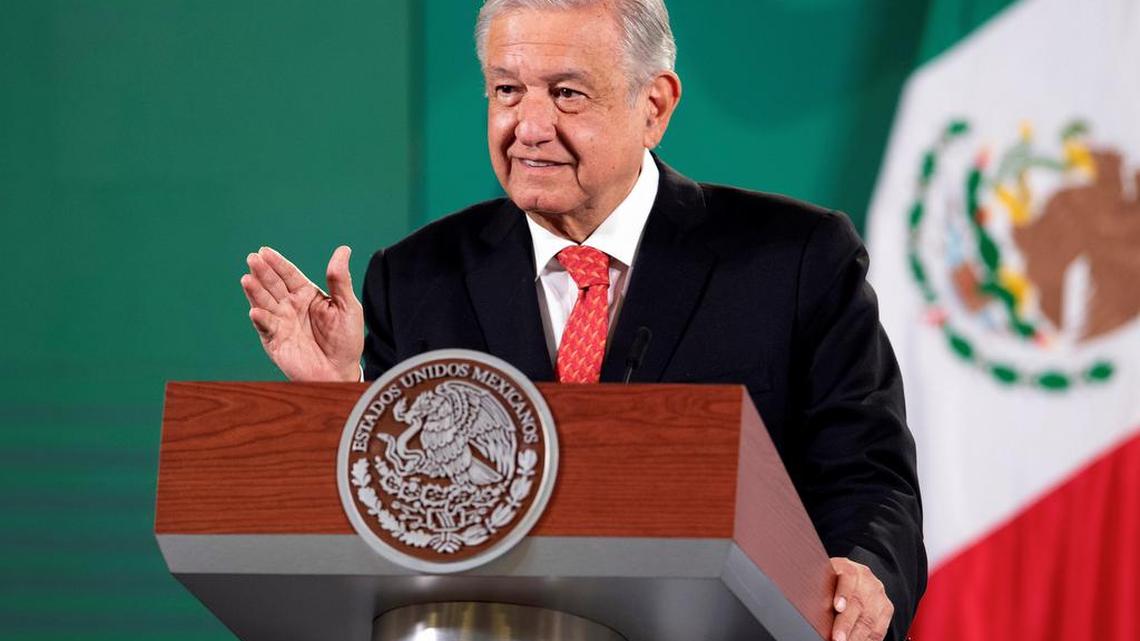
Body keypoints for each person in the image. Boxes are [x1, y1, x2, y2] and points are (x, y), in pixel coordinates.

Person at [239, 1, 925, 639]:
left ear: (653, 106)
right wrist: (339, 400)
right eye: (508, 90)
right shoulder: (417, 278)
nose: (530, 127)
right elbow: (401, 518)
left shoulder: (793, 259)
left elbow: (869, 478)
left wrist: (863, 570)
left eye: (567, 93)